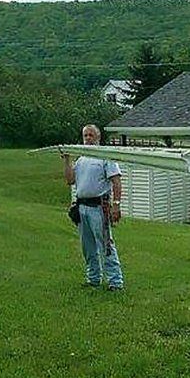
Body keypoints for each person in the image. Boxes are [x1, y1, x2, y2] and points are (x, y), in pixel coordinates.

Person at [62, 124, 124, 290]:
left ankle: (115, 282)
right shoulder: (81, 160)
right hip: (82, 207)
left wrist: (116, 205)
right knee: (87, 247)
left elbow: (116, 181)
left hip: (99, 207)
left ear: (98, 138)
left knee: (106, 245)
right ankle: (93, 279)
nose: (88, 138)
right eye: (85, 135)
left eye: (91, 135)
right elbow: (70, 180)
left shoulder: (105, 157)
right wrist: (67, 159)